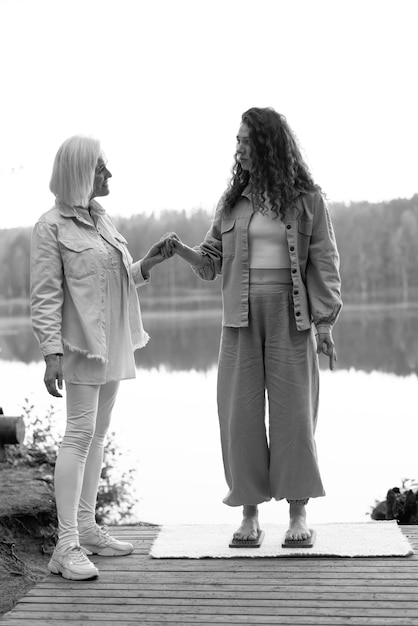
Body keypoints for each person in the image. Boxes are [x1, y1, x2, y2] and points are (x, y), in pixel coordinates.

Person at [161, 107, 342, 547]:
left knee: (294, 417)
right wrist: (181, 250)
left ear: (266, 144)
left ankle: (298, 514)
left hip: (291, 317)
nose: (238, 148)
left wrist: (324, 325)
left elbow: (325, 264)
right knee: (239, 418)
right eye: (237, 141)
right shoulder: (232, 203)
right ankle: (249, 515)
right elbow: (210, 265)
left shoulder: (307, 200)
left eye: (245, 140)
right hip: (238, 321)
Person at [30, 135, 166, 580]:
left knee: (98, 436)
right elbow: (46, 295)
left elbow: (114, 282)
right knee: (78, 435)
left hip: (112, 342)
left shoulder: (103, 222)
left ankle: (87, 529)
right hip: (79, 345)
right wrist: (51, 353)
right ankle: (64, 545)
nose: (109, 175)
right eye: (102, 168)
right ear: (80, 174)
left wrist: (146, 264)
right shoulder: (50, 227)